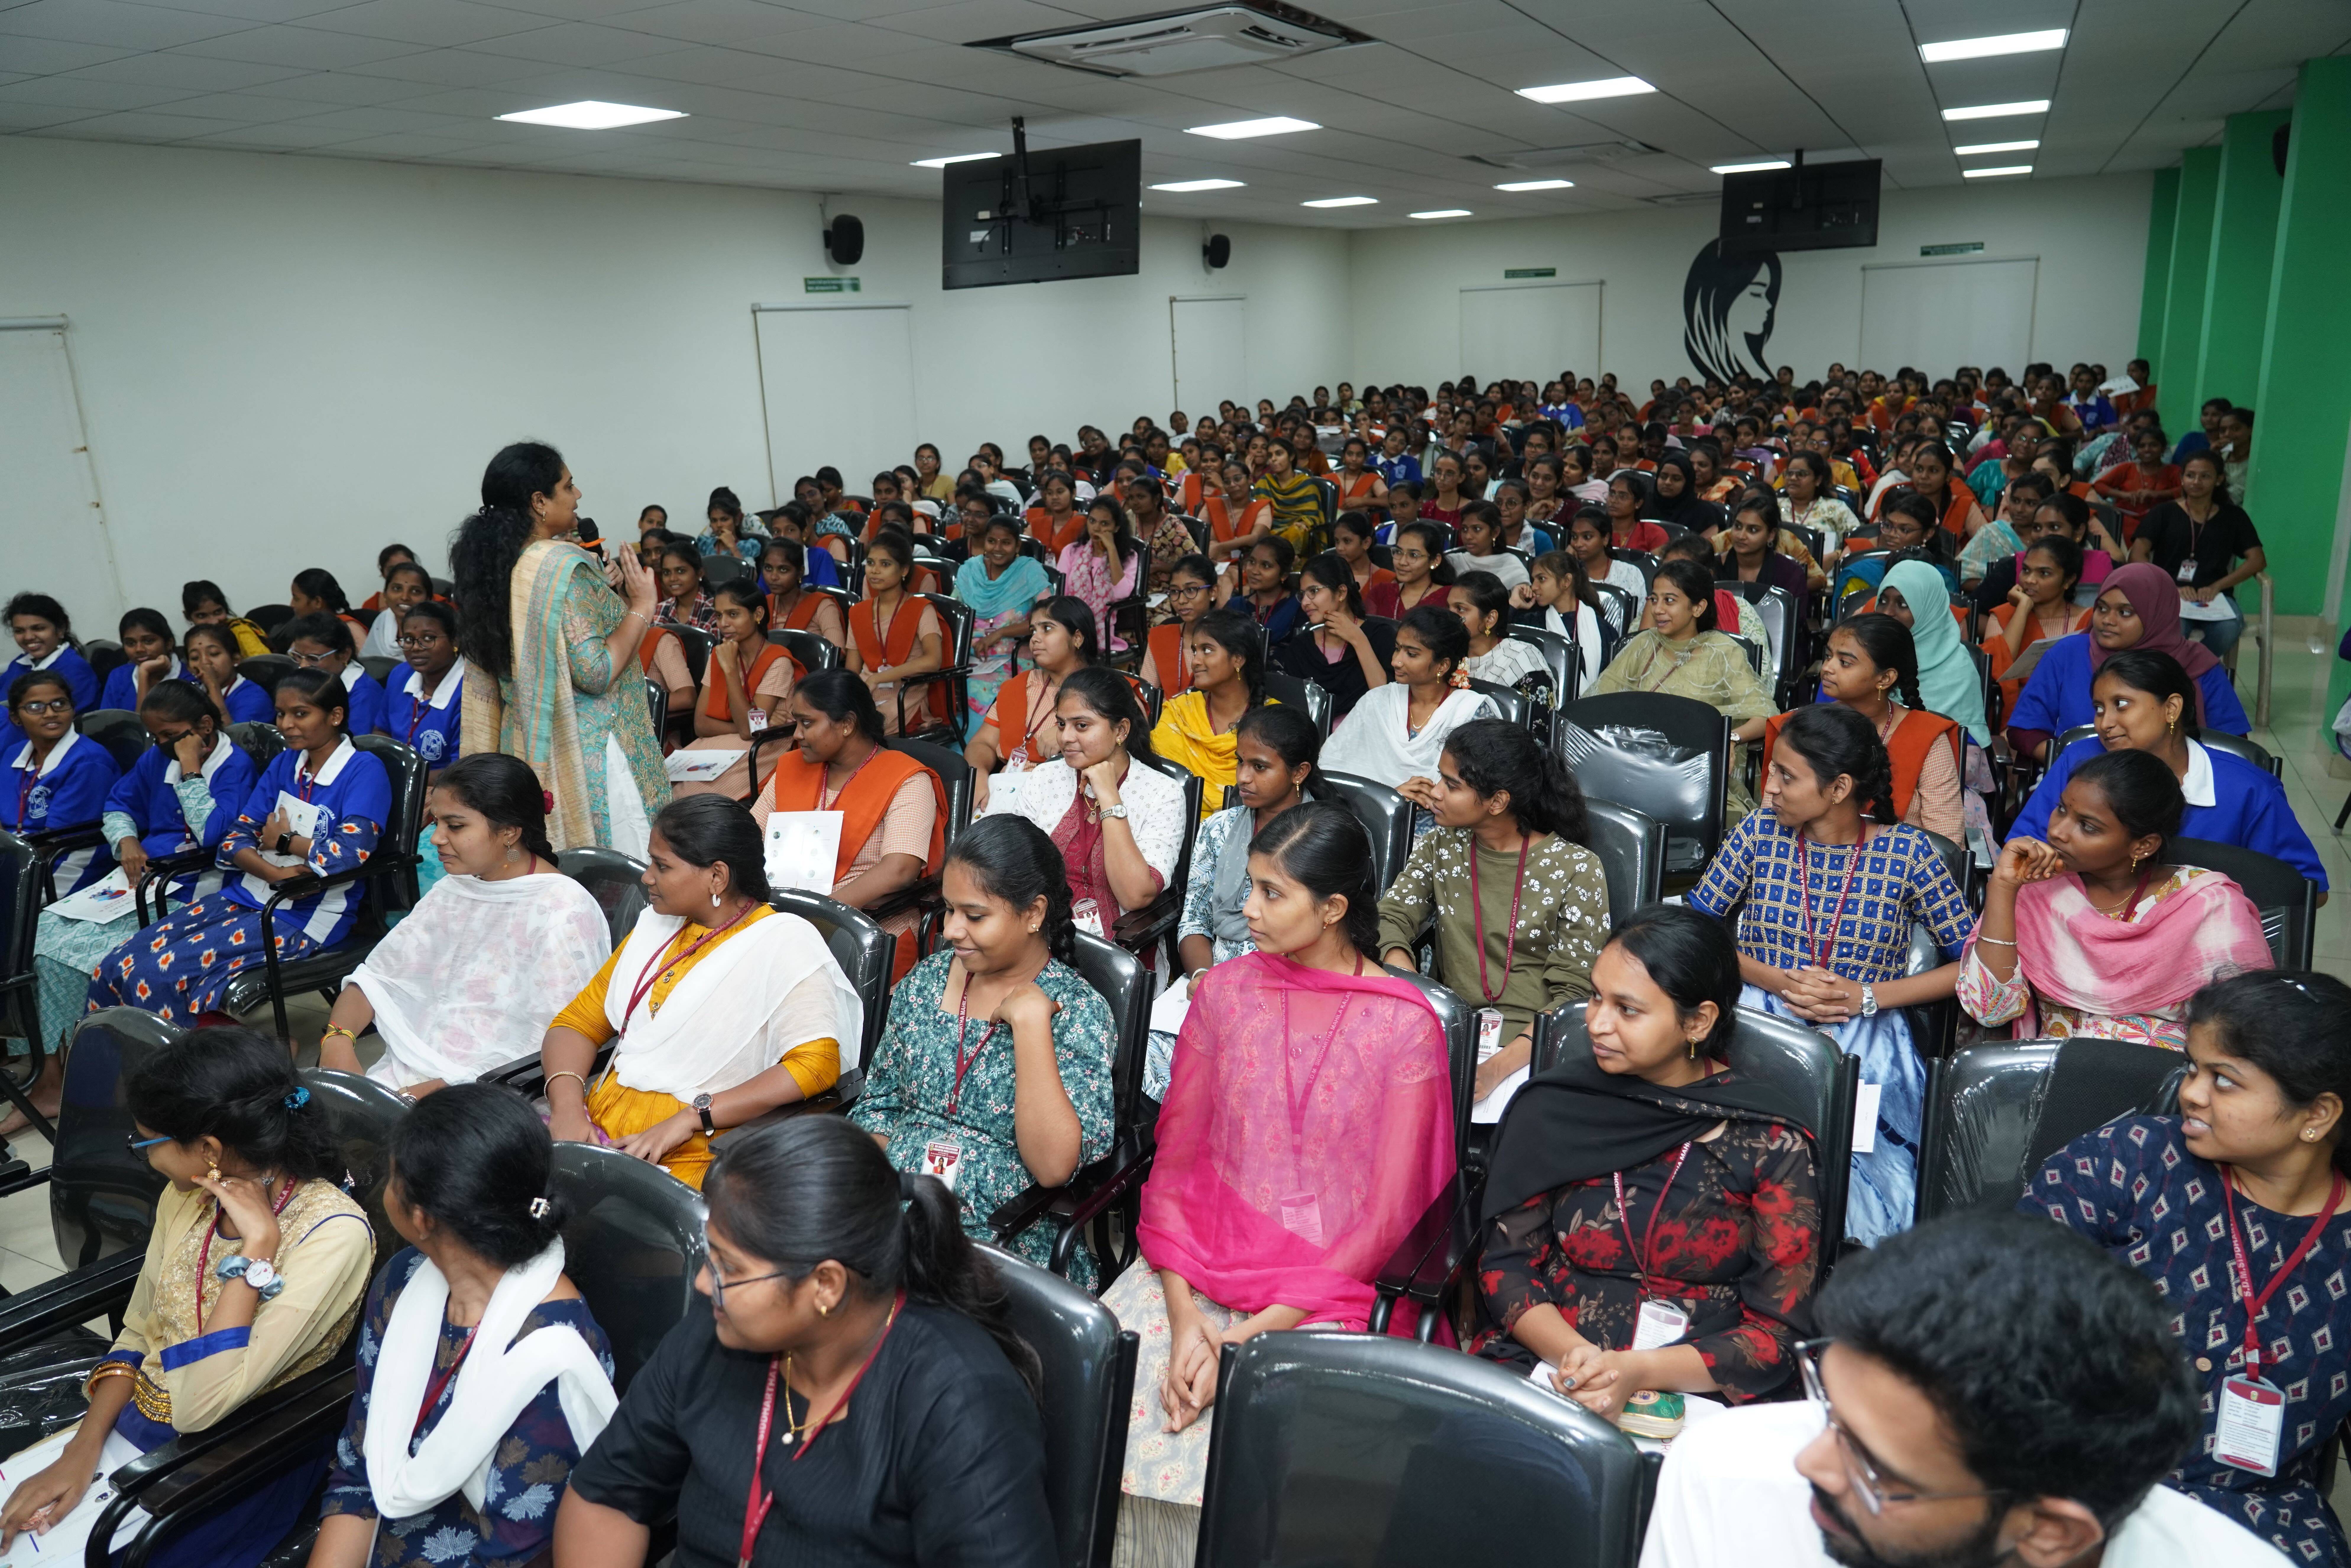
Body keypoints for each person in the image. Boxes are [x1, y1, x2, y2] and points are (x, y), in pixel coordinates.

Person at [1104, 802, 1457, 1568]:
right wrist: (1187, 1321)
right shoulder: (1225, 993)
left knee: (1263, 1451)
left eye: (1271, 893)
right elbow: (1178, 1167)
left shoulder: (1403, 1025)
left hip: (1333, 1285)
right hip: (1200, 1256)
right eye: (1250, 886)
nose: (1247, 909)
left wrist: (1240, 1341)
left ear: (1332, 909)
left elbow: (1388, 1220)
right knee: (1105, 1401)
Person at [553, 1116, 1059, 1568]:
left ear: (826, 1285)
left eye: (730, 1268)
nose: (705, 1284)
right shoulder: (719, 1328)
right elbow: (608, 1494)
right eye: (712, 1256)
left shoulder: (960, 1402)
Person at [1639, 1210, 2273, 1568]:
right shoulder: (1726, 1475)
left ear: (2049, 1532)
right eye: (1829, 1407)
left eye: (1874, 1467)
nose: (1809, 1461)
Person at [0, 1028, 371, 1568]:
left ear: (210, 1150)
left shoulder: (332, 1235)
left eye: (148, 1143)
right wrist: (81, 1449)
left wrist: (256, 1251)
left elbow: (201, 1407)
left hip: (235, 1457)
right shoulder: (189, 1195)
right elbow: (138, 1330)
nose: (144, 1156)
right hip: (133, 1423)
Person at [2026, 971, 2351, 1564]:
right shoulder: (2129, 1160)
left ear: (2317, 1114)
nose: (2191, 1093)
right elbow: (1995, 1298)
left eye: (2223, 1080)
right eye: (2192, 1067)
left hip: (2256, 1517)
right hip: (2071, 1482)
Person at [1468, 906, 1819, 1410]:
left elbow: (1776, 1331)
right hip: (1552, 1362)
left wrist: (1635, 1372)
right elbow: (1507, 1266)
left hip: (1704, 1385)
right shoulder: (1555, 1107)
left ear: (1697, 1021)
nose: (1597, 1023)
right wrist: (1582, 1363)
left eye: (1627, 1010)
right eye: (1595, 996)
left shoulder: (1769, 1137)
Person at [1689, 704, 1972, 1244]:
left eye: (1786, 775)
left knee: (1867, 1186)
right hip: (1757, 1021)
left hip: (1868, 1034)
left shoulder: (1908, 852)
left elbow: (1973, 968)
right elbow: (1696, 931)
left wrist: (1867, 995)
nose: (1769, 788)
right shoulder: (1759, 832)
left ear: (1839, 787)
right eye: (1772, 771)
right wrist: (1773, 980)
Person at [310, 1085, 616, 1568]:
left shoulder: (552, 1363)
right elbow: (359, 1470)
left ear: (421, 1219)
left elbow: (513, 1554)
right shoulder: (404, 1282)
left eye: (392, 1176)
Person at [539, 795, 863, 1189]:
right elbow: (575, 1024)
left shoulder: (783, 942)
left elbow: (815, 1066)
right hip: (596, 1131)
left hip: (700, 1153)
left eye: (662, 866)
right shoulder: (656, 928)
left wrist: (693, 1117)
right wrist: (568, 1110)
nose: (647, 878)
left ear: (717, 877)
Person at [846, 813, 1115, 1280]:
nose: (952, 930)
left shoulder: (1076, 1011)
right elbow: (878, 1108)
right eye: (949, 910)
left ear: (1034, 914)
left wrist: (1031, 1026)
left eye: (974, 916)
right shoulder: (928, 982)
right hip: (898, 1217)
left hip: (1004, 1243)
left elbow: (1053, 1168)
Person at [87, 669, 392, 1025]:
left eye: (301, 714)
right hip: (246, 895)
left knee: (153, 975)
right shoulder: (285, 763)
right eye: (281, 714)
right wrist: (277, 872)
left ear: (335, 716)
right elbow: (234, 840)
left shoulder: (364, 770)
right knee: (114, 965)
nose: (286, 725)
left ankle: (200, 1059)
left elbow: (350, 853)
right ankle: (119, 1055)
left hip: (303, 917)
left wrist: (282, 841)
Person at [16, 681, 253, 1124]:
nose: (160, 745)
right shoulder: (157, 756)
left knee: (80, 960)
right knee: (38, 936)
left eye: (170, 735)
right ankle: (51, 1074)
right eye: (155, 736)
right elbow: (118, 804)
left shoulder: (234, 766)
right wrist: (126, 839)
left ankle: (98, 1077)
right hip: (140, 879)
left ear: (205, 726)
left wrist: (190, 770)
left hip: (195, 889)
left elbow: (217, 839)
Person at [317, 753, 608, 1094]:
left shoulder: (563, 912)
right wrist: (337, 1040)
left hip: (496, 1095)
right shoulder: (456, 889)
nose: (436, 838)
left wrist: (424, 1094)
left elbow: (548, 1044)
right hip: (410, 1074)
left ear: (509, 832)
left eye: (455, 826)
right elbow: (377, 978)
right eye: (436, 822)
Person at [1376, 718, 1611, 1115]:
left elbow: (1573, 994)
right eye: (1440, 778)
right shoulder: (1442, 846)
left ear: (1497, 802)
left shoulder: (1577, 868)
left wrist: (1493, 1071)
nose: (1435, 792)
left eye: (1452, 785)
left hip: (1535, 1044)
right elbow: (1391, 916)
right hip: (1448, 1029)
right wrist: (1414, 990)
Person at [1962, 749, 2271, 1048]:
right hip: (2055, 1071)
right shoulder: (2038, 890)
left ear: (2143, 846)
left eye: (2087, 827)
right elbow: (1989, 1011)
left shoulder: (2208, 905)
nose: (2058, 832)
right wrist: (2003, 887)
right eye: (2062, 809)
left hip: (2165, 1076)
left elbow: (2245, 1031)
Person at [452, 442, 669, 857]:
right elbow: (596, 671)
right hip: (585, 750)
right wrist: (642, 605)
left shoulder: (492, 566)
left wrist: (601, 594)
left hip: (523, 747)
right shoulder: (557, 566)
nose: (578, 495)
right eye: (568, 486)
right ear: (539, 502)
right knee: (619, 877)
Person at [2012, 649, 2324, 886]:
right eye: (2098, 709)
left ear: (2171, 708)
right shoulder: (2080, 760)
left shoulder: (2249, 790)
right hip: (2082, 916)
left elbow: (2304, 888)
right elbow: (2026, 845)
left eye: (2121, 705)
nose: (2104, 724)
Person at [754, 672, 945, 980]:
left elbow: (900, 870)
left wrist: (818, 914)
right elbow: (749, 837)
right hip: (782, 913)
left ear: (847, 724)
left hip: (865, 920)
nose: (797, 735)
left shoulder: (907, 781)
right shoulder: (792, 768)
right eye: (797, 723)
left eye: (807, 723)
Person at [981, 666, 1186, 934]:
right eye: (1061, 724)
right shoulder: (1046, 777)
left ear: (1121, 730)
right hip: (1039, 931)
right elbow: (1014, 866)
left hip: (1118, 943)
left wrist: (1110, 797)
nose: (1066, 738)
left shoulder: (1162, 793)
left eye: (1082, 726)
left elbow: (1135, 896)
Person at [1585, 558, 1779, 824]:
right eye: (1654, 599)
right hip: (1631, 767)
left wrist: (1731, 740)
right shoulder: (1642, 645)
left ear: (1698, 607)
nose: (1658, 610)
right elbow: (1597, 704)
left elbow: (1765, 716)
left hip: (1696, 776)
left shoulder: (1723, 652)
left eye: (1670, 601)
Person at [2008, 562, 2250, 759]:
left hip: (2178, 786)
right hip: (2079, 781)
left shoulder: (2197, 664)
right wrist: (2073, 762)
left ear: (2157, 615)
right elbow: (2025, 730)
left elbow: (2233, 745)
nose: (2108, 620)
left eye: (2125, 613)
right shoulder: (2068, 654)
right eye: (2102, 609)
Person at [1767, 614, 1962, 841]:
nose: (1828, 668)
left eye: (1845, 662)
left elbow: (1945, 842)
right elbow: (1771, 823)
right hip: (1801, 856)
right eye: (1828, 656)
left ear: (1885, 678)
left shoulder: (1926, 737)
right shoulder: (1802, 728)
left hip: (1897, 861)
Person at [1172, 705, 1317, 989]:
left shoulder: (1323, 838)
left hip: (1291, 984)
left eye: (1259, 767)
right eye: (1241, 762)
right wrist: (1203, 976)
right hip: (1216, 978)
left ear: (1299, 773)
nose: (1243, 777)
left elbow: (1329, 938)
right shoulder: (1218, 829)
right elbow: (1195, 920)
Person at [1319, 605, 1495, 811]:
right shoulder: (1377, 701)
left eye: (1411, 654)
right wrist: (1391, 796)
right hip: (1370, 813)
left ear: (1443, 666)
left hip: (1442, 821)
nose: (1396, 662)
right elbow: (1331, 768)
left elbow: (1480, 790)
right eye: (1397, 649)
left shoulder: (1471, 712)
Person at [966, 597, 1103, 812]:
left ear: (1077, 638)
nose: (1035, 639)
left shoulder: (1107, 690)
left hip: (1071, 801)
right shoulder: (1020, 686)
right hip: (1007, 794)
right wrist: (979, 774)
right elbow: (982, 743)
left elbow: (1127, 746)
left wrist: (1069, 734)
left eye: (1047, 629)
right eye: (1033, 631)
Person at [2131, 450, 2265, 660]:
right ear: (2182, 478)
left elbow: (2257, 560)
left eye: (2205, 476)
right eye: (2190, 475)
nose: (2196, 482)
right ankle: (2179, 671)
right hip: (2169, 594)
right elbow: (2137, 555)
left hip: (2216, 597)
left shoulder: (2234, 516)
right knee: (2173, 629)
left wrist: (2217, 587)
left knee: (2229, 628)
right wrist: (2170, 587)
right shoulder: (2163, 513)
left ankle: (2193, 669)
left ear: (2219, 480)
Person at [2, 668, 120, 893]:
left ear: (73, 709)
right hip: (15, 854)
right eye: (35, 707)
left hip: (63, 862)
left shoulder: (89, 762)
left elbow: (53, 841)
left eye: (59, 704)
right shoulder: (13, 753)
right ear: (16, 717)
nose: (50, 714)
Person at [1152, 608, 1267, 822]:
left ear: (1238, 659)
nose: (1195, 661)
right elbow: (1155, 779)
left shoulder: (1272, 721)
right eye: (1195, 651)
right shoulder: (1180, 712)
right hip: (1171, 823)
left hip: (1245, 830)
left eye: (1207, 650)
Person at [846, 533, 946, 738]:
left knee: (860, 731)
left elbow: (933, 660)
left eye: (885, 564)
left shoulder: (921, 609)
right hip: (867, 691)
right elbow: (852, 670)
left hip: (906, 694)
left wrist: (879, 678)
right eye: (871, 563)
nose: (875, 570)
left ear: (905, 570)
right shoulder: (858, 612)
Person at [956, 515, 1052, 724]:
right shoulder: (970, 572)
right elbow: (953, 617)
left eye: (1006, 542)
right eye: (992, 541)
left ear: (1017, 546)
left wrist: (1001, 633)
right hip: (969, 659)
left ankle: (983, 741)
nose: (998, 548)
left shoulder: (1030, 572)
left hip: (1015, 657)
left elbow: (1049, 617)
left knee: (978, 691)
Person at [1982, 530, 2089, 716]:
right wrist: (2023, 608)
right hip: (2015, 715)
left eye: (2044, 573)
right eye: (2026, 570)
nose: (2030, 580)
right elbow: (1994, 671)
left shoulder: (2090, 620)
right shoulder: (2002, 616)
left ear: (2069, 580)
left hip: (2074, 713)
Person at [1279, 552, 1395, 720]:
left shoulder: (1381, 635)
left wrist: (1358, 640)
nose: (1305, 602)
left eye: (1314, 591)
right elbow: (1292, 711)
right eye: (1303, 594)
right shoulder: (1301, 646)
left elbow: (1386, 700)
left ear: (1341, 593)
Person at [0, 593, 95, 758]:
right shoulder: (20, 664)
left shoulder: (74, 670)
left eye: (38, 629)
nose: (28, 637)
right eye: (20, 631)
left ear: (61, 629)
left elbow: (60, 725)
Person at [383, 600, 462, 773]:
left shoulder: (468, 692)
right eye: (409, 639)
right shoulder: (400, 675)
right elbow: (382, 731)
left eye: (428, 638)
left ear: (455, 640)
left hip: (446, 784)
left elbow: (462, 769)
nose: (416, 648)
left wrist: (407, 780)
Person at [283, 611, 388, 739]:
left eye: (314, 658)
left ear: (344, 655)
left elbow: (357, 744)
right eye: (298, 656)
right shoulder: (302, 681)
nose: (303, 666)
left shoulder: (365, 695)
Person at [1059, 497, 1143, 652]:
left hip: (1103, 629)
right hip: (1070, 623)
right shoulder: (1071, 551)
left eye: (1105, 524)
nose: (1096, 528)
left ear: (1116, 528)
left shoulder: (1129, 557)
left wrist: (1112, 550)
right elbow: (1061, 594)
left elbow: (1121, 594)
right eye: (1092, 521)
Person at [1449, 568, 1546, 689]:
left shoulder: (1523, 659)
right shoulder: (1443, 656)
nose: (1449, 615)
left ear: (1490, 619)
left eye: (1460, 609)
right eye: (1448, 607)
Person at [1714, 495, 1813, 604]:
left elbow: (1796, 615)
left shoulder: (1791, 574)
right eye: (1738, 527)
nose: (1741, 536)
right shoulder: (1712, 568)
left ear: (1771, 535)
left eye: (1753, 530)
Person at [182, 621, 272, 725]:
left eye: (214, 654)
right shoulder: (191, 695)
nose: (204, 663)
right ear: (189, 667)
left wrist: (213, 685)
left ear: (235, 659)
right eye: (195, 658)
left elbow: (231, 734)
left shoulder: (255, 698)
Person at [98, 608, 187, 711]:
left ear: (169, 644)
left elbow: (146, 721)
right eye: (131, 644)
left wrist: (144, 672)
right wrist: (144, 672)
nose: (139, 649)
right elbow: (108, 720)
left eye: (149, 641)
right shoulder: (119, 676)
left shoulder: (189, 676)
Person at [1224, 537, 1303, 645]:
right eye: (1252, 562)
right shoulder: (1235, 606)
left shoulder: (1299, 606)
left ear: (1284, 575)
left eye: (1266, 566)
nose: (1255, 571)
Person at [1445, 500, 1531, 592]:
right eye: (1464, 529)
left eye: (1477, 529)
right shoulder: (1452, 562)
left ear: (1495, 533)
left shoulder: (1512, 567)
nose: (1468, 536)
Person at [359, 562, 435, 663]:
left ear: (428, 599)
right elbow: (370, 664)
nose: (405, 597)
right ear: (385, 595)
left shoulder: (436, 629)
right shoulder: (383, 621)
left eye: (416, 591)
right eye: (397, 589)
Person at [182, 580, 273, 657]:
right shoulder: (194, 640)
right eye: (202, 616)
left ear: (225, 609)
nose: (214, 622)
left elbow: (264, 665)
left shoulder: (240, 631)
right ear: (188, 617)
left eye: (218, 612)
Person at [1388, 519, 1453, 616]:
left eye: (1413, 555)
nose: (1402, 562)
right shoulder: (1381, 593)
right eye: (1398, 552)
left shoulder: (1449, 598)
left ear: (1435, 561)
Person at [1604, 472, 1672, 554]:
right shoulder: (1598, 531)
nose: (1614, 500)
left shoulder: (1654, 534)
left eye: (1623, 496)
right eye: (1612, 494)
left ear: (1638, 503)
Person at [1024, 468, 1087, 553]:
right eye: (1050, 493)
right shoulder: (1036, 525)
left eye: (1060, 492)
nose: (1054, 497)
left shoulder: (1083, 525)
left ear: (1073, 493)